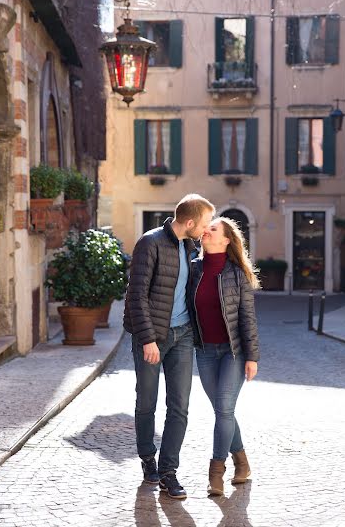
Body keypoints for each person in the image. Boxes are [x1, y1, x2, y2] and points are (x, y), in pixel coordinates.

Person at [124, 194, 215, 500]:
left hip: (183, 335)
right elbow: (136, 295)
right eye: (203, 224)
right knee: (147, 402)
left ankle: (168, 472)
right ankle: (148, 458)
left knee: (180, 407)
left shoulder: (192, 246)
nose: (206, 229)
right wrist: (148, 339)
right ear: (189, 222)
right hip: (152, 337)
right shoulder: (149, 244)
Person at [190, 217, 260, 496]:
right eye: (205, 228)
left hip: (233, 352)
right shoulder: (193, 269)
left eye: (213, 228)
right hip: (205, 351)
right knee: (224, 411)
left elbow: (247, 318)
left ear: (227, 239)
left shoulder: (237, 273)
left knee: (223, 409)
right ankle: (242, 462)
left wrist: (252, 356)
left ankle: (216, 473)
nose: (206, 231)